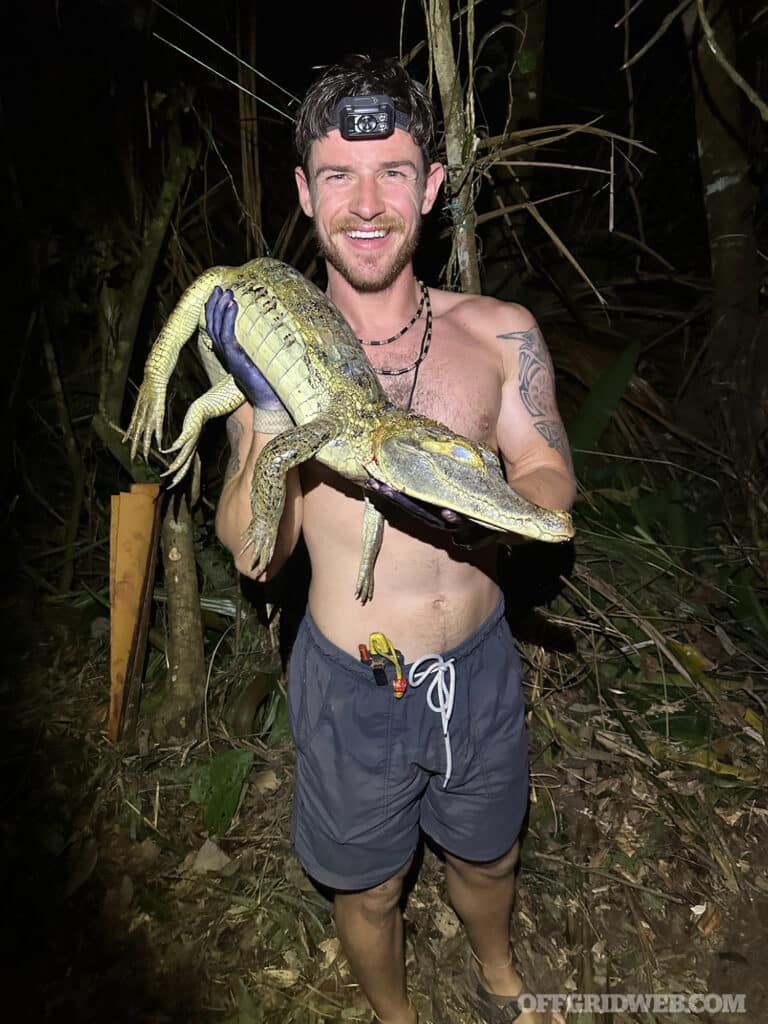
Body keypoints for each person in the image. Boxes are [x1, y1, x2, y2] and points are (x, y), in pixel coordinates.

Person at [213, 55, 576, 1024]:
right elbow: (256, 555)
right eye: (338, 174)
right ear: (304, 190)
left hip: (483, 664)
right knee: (369, 888)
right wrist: (258, 409)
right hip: (354, 684)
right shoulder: (278, 359)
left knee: (488, 854)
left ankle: (498, 975)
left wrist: (481, 496)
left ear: (432, 185)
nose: (366, 203)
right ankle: (397, 1015)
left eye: (392, 172)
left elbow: (548, 472)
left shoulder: (500, 331)